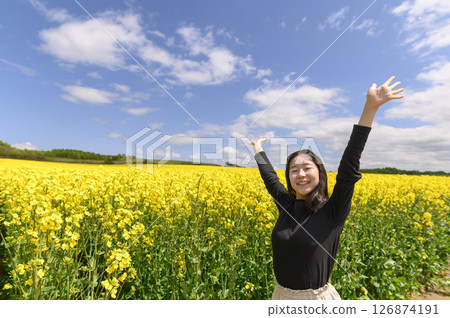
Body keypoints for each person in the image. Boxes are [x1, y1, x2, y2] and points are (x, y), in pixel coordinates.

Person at [250, 76, 404, 300]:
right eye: (294, 170)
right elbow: (270, 179)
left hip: (316, 299)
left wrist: (370, 108)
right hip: (280, 296)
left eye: (306, 168)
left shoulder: (333, 210)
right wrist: (257, 149)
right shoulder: (286, 206)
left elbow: (348, 169)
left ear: (319, 173)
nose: (300, 174)